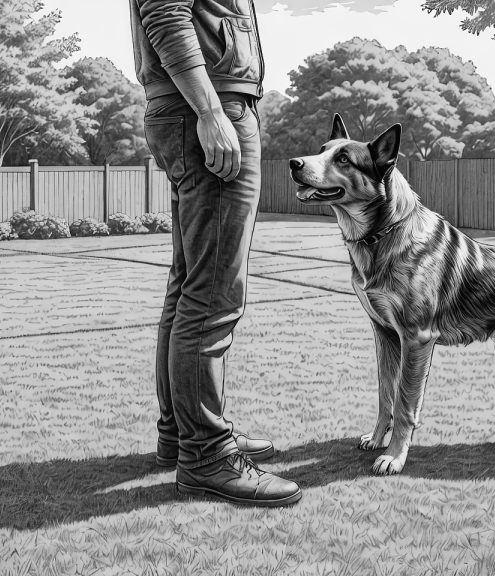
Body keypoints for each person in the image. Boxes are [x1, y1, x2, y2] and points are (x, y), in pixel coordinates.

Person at [129, 0, 301, 507]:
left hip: (197, 104)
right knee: (212, 295)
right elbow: (164, 12)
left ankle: (182, 435)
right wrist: (210, 112)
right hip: (205, 107)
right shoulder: (207, 108)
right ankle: (206, 456)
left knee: (188, 286)